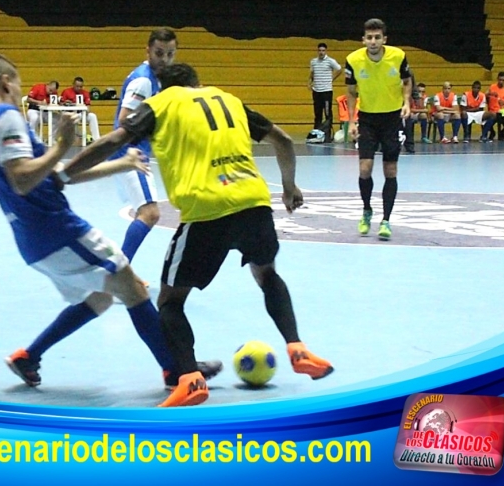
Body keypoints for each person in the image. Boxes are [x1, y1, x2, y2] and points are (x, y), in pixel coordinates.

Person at [58, 63, 334, 407]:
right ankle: (297, 347)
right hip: (253, 202)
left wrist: (66, 173)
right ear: (197, 83)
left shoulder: (161, 104)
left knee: (170, 301)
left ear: (163, 87)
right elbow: (283, 140)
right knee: (267, 275)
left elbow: (114, 139)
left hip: (207, 211)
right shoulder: (228, 99)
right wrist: (290, 186)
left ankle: (190, 379)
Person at [0, 54, 222, 394]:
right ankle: (177, 371)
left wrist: (121, 165)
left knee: (101, 298)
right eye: (16, 84)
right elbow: (22, 180)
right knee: (132, 287)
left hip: (33, 239)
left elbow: (58, 177)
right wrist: (61, 144)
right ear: (5, 83)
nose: (19, 92)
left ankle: (28, 357)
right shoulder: (6, 116)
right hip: (57, 229)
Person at [109, 28, 178, 265]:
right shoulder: (143, 81)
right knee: (150, 213)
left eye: (170, 54)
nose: (165, 59)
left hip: (134, 153)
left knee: (144, 212)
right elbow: (125, 121)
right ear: (147, 50)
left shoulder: (156, 79)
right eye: (159, 53)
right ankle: (118, 272)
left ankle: (119, 269)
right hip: (131, 154)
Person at [346, 18, 412, 241]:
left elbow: (407, 80)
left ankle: (386, 220)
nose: (373, 41)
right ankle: (367, 210)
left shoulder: (398, 56)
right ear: (363, 39)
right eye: (369, 37)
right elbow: (351, 92)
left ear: (384, 39)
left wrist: (406, 102)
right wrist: (352, 121)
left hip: (392, 118)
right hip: (367, 119)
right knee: (365, 168)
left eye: (377, 37)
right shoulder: (353, 60)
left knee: (390, 171)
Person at [308, 42, 342, 142]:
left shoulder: (330, 61)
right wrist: (309, 82)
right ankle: (316, 134)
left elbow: (339, 69)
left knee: (327, 113)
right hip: (316, 91)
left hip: (326, 91)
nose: (321, 52)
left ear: (326, 51)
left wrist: (332, 78)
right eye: (319, 50)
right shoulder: (313, 62)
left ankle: (327, 135)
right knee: (317, 114)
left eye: (323, 51)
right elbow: (312, 73)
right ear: (317, 51)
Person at [60, 76, 101, 143]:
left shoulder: (85, 93)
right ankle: (71, 139)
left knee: (92, 116)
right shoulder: (66, 92)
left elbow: (88, 108)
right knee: (68, 117)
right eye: (77, 86)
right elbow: (61, 104)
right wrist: (66, 103)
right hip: (70, 113)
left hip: (81, 114)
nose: (79, 88)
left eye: (81, 86)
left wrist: (84, 108)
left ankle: (96, 139)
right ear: (73, 84)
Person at [486, 72, 504, 141]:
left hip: (503, 111)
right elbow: (485, 96)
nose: (501, 82)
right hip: (493, 111)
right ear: (497, 79)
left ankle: (501, 133)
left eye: (503, 80)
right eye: (500, 80)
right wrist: (489, 93)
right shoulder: (492, 87)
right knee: (485, 121)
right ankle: (492, 132)